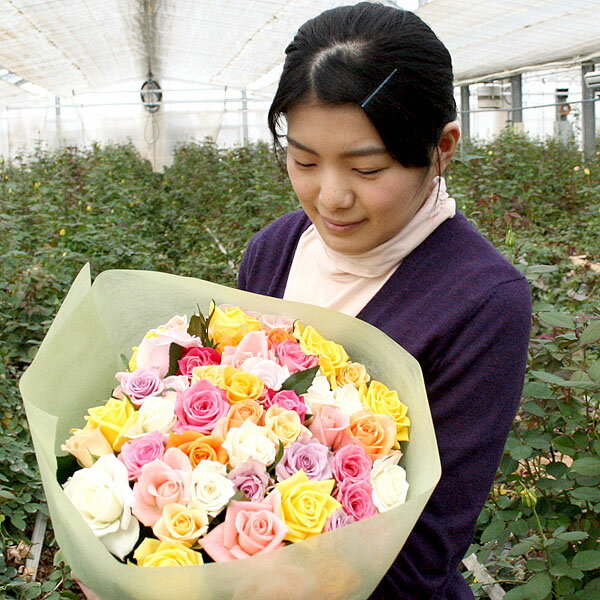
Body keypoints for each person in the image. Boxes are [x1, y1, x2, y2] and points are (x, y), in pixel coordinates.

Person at [237, 3, 531, 599]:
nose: (330, 197)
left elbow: (424, 551)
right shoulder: (274, 250)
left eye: (368, 169)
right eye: (303, 161)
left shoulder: (481, 301)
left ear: (443, 146)